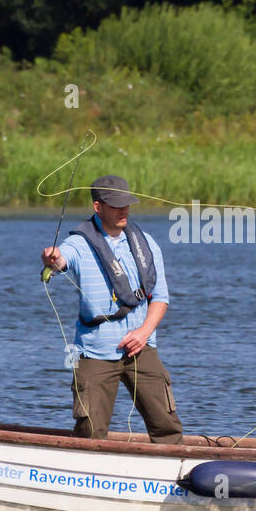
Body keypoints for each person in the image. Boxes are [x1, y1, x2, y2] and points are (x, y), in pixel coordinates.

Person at [41, 175, 183, 444]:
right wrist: (51, 257)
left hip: (141, 347)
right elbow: (61, 260)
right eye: (116, 204)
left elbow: (161, 298)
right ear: (98, 207)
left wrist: (143, 333)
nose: (124, 209)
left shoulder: (147, 244)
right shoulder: (79, 244)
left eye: (127, 203)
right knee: (90, 432)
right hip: (95, 352)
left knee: (166, 426)